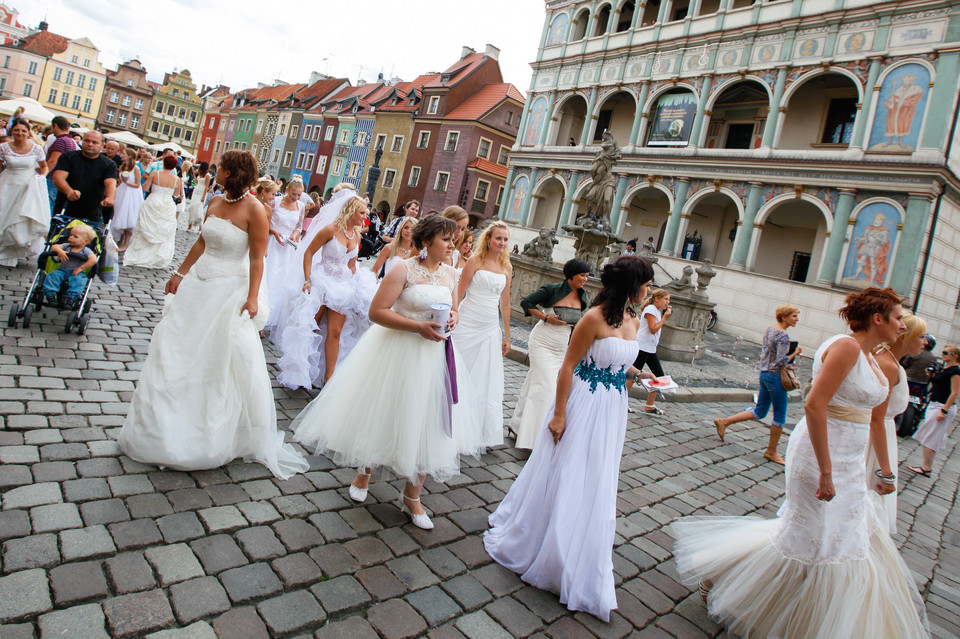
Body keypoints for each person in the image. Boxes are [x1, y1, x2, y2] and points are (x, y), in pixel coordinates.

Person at [674, 287, 930, 638]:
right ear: (877, 319)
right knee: (807, 535)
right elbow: (814, 404)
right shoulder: (847, 347)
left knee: (839, 538)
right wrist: (825, 471)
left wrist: (880, 469)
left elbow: (871, 416)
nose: (903, 325)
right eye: (899, 317)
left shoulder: (872, 357)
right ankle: (725, 575)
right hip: (820, 454)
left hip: (851, 457)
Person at [118, 150, 308, 480]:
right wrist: (179, 273)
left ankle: (207, 430)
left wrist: (251, 297)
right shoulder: (215, 202)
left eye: (221, 168)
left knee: (215, 359)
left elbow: (257, 259)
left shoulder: (256, 210)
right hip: (198, 285)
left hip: (228, 290)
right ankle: (160, 427)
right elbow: (201, 243)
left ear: (234, 173)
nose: (216, 171)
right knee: (176, 352)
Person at [485, 256, 656, 622]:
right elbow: (568, 365)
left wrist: (638, 374)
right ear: (631, 285)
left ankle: (584, 541)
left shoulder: (635, 320)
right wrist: (559, 413)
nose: (649, 290)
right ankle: (553, 547)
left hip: (613, 407)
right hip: (583, 400)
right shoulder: (593, 318)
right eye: (646, 283)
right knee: (569, 469)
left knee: (597, 474)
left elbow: (619, 361)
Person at [292, 215, 483, 530]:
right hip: (397, 349)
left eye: (454, 239)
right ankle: (364, 471)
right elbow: (377, 312)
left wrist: (454, 317)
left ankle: (412, 496)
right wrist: (417, 326)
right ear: (426, 242)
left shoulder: (451, 274)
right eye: (447, 240)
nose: (454, 245)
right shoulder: (403, 269)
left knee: (428, 421)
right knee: (384, 409)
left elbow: (454, 307)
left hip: (434, 356)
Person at [277, 192, 375, 388]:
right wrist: (307, 280)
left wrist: (357, 285)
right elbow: (309, 253)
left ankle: (329, 378)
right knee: (310, 327)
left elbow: (352, 265)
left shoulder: (356, 235)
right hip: (322, 281)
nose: (365, 217)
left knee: (336, 332)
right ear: (350, 211)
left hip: (342, 287)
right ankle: (300, 369)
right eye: (362, 212)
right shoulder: (330, 230)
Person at [511, 259, 590, 449]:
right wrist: (546, 317)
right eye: (583, 275)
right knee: (545, 386)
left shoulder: (583, 296)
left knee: (535, 382)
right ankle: (532, 439)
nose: (585, 280)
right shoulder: (552, 289)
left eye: (587, 276)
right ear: (571, 275)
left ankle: (517, 425)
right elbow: (526, 302)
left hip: (562, 346)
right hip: (542, 341)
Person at [714, 304, 802, 464]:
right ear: (784, 316)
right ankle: (772, 451)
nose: (797, 319)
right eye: (794, 316)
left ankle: (724, 422)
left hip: (764, 374)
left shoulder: (770, 329)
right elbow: (781, 361)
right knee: (780, 416)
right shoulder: (783, 336)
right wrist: (795, 353)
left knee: (760, 411)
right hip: (776, 377)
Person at [453, 221, 513, 448]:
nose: (502, 243)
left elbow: (505, 303)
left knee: (483, 378)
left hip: (489, 326)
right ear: (488, 239)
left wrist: (507, 335)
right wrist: (454, 315)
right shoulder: (474, 262)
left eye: (506, 239)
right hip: (467, 321)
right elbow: (459, 292)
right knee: (460, 369)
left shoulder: (507, 267)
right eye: (499, 238)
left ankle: (473, 427)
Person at [869, 310, 926, 533]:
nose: (925, 342)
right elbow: (876, 418)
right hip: (877, 437)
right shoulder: (889, 365)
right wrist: (885, 470)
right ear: (905, 337)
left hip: (884, 433)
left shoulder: (893, 363)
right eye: (921, 337)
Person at [0, 118, 49, 266]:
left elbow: (44, 167)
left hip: (27, 186)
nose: (20, 133)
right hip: (7, 184)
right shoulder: (4, 147)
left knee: (19, 217)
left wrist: (41, 177)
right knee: (3, 213)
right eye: (17, 130)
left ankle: (12, 250)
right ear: (12, 131)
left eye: (23, 131)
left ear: (28, 132)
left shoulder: (36, 148)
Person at [263, 176, 306, 341]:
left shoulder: (300, 206)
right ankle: (263, 316)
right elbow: (265, 222)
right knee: (270, 277)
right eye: (293, 194)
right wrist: (274, 232)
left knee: (284, 281)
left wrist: (295, 235)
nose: (295, 198)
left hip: (288, 247)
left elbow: (299, 227)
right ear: (287, 189)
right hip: (274, 243)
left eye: (298, 195)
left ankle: (275, 319)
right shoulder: (275, 202)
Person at [907, 345, 960, 478]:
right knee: (930, 435)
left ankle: (926, 468)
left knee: (932, 437)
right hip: (935, 404)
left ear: (956, 356)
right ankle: (926, 466)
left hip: (941, 406)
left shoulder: (955, 372)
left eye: (946, 352)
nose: (943, 354)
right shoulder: (945, 368)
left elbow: (954, 393)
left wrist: (944, 410)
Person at [123, 154, 181, 268]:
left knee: (146, 226)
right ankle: (157, 256)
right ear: (174, 166)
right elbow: (176, 194)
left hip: (153, 200)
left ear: (163, 163)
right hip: (168, 204)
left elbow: (145, 188)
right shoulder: (177, 179)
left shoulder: (155, 174)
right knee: (162, 229)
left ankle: (140, 253)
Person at [51, 130, 118, 226]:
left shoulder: (109, 164)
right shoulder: (68, 157)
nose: (90, 144)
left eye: (94, 142)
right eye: (87, 141)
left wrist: (110, 198)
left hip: (92, 213)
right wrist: (69, 191)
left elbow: (110, 183)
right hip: (65, 209)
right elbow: (58, 178)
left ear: (102, 145)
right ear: (82, 141)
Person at [624, 288, 672, 415]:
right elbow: (653, 329)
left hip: (650, 348)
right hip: (642, 347)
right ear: (657, 298)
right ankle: (622, 401)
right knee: (633, 375)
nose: (667, 302)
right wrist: (665, 318)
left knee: (659, 375)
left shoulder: (656, 310)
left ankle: (649, 405)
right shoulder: (651, 309)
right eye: (665, 299)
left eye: (668, 300)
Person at [42, 224, 97, 307]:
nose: (70, 237)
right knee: (52, 276)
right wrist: (60, 251)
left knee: (79, 281)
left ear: (85, 241)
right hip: (62, 270)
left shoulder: (86, 251)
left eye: (75, 236)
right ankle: (51, 295)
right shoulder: (67, 246)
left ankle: (71, 298)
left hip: (76, 271)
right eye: (70, 235)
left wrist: (81, 268)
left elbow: (93, 259)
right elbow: (54, 247)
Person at [110, 147, 142, 250]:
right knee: (119, 215)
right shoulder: (122, 167)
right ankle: (119, 240)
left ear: (129, 156)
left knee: (129, 218)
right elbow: (119, 182)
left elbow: (137, 184)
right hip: (122, 192)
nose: (122, 155)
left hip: (131, 194)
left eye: (124, 153)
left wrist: (127, 182)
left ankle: (126, 243)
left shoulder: (135, 168)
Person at [45, 116, 77, 214]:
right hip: (62, 178)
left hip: (52, 177)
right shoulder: (71, 141)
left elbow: (53, 161)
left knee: (48, 204)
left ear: (55, 125)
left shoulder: (61, 141)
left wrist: (43, 174)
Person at [185, 162, 210, 233]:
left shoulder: (207, 175)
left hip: (202, 193)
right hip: (196, 191)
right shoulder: (200, 174)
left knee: (199, 210)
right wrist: (194, 175)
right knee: (192, 207)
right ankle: (190, 225)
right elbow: (197, 182)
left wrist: (203, 196)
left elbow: (206, 187)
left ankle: (200, 227)